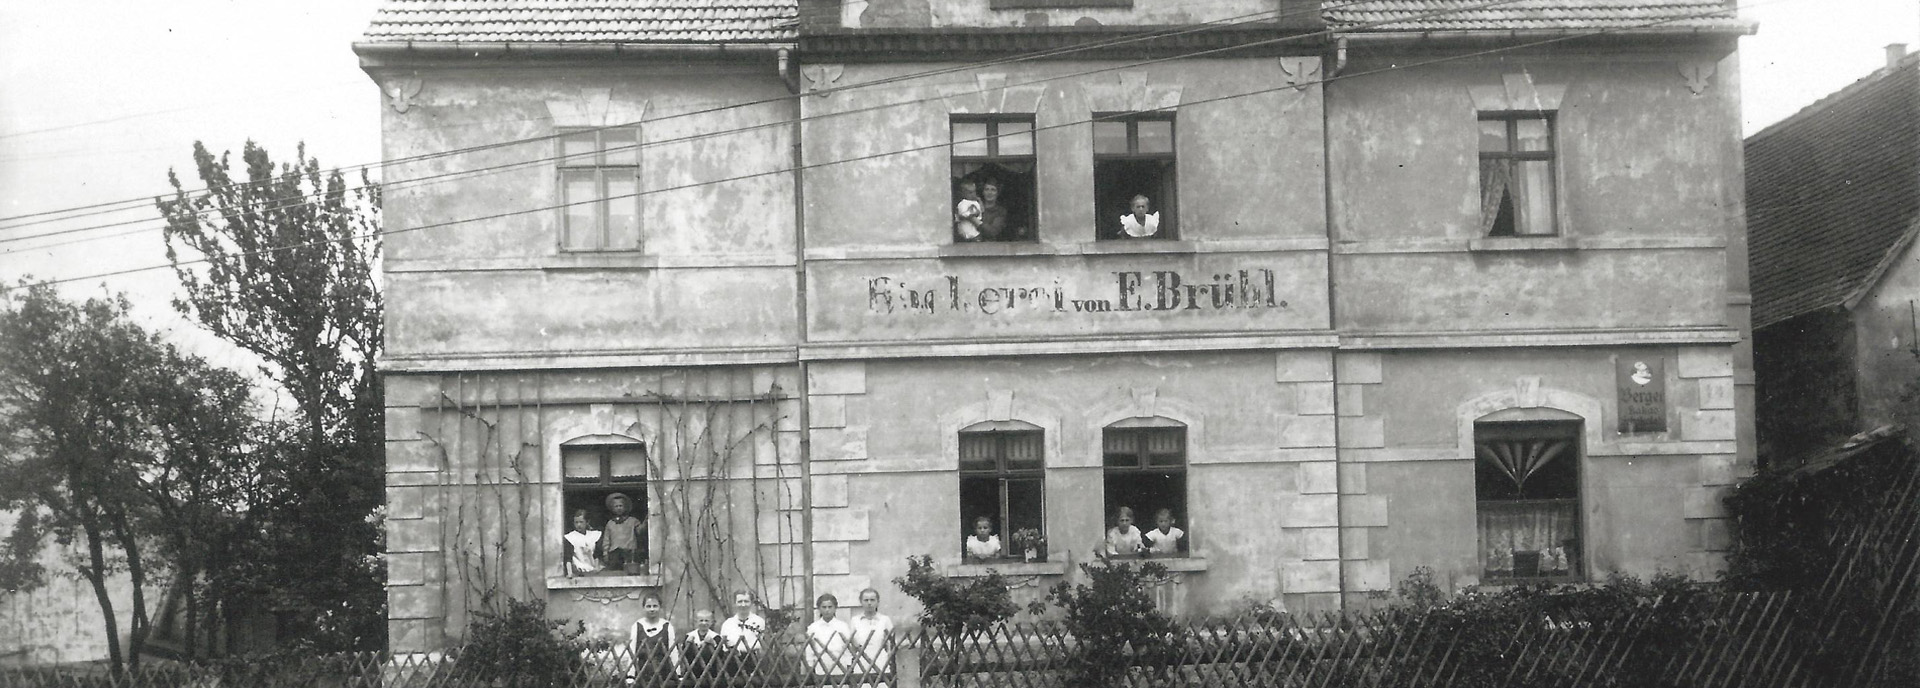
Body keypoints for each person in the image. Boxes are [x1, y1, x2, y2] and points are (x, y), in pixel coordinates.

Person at [849, 588, 895, 685]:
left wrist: (889, 660)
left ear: (878, 602)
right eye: (866, 600)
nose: (869, 603)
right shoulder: (855, 621)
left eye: (872, 600)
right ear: (861, 602)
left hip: (881, 660)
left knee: (882, 684)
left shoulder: (885, 620)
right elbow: (852, 644)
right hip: (861, 660)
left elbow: (890, 644)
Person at [628, 595, 677, 684]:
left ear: (660, 607)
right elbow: (632, 651)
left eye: (655, 606)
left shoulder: (667, 626)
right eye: (648, 606)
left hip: (663, 673)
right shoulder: (637, 626)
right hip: (642, 672)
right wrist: (630, 675)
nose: (652, 609)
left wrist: (677, 674)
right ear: (644, 608)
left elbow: (673, 652)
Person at [719, 590, 765, 677]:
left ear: (751, 603)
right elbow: (724, 645)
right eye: (740, 601)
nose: (743, 605)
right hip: (732, 661)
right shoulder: (728, 623)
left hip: (752, 659)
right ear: (735, 604)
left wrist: (743, 650)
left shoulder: (758, 621)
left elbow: (760, 643)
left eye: (746, 601)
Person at [806, 593, 853, 677]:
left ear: (835, 608)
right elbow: (809, 650)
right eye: (824, 607)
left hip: (840, 665)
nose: (827, 610)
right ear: (819, 608)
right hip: (821, 664)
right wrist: (810, 665)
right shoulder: (813, 627)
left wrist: (848, 664)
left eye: (830, 607)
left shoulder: (842, 626)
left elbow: (847, 648)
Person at [604, 492, 645, 573]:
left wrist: (646, 521)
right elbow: (606, 539)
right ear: (612, 508)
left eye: (621, 506)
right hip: (614, 553)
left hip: (629, 553)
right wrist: (605, 552)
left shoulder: (633, 521)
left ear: (625, 507)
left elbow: (640, 531)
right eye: (616, 506)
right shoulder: (610, 523)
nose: (619, 508)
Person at [682, 609, 723, 680]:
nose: (704, 623)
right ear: (696, 621)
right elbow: (684, 655)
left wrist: (713, 643)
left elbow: (720, 655)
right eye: (701, 620)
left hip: (710, 673)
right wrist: (687, 644)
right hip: (691, 673)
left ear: (711, 622)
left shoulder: (716, 637)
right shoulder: (689, 636)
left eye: (706, 620)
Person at [564, 509, 603, 576]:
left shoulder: (594, 535)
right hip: (579, 569)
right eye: (576, 522)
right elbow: (568, 558)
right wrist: (569, 573)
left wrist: (596, 567)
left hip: (593, 569)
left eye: (581, 522)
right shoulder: (570, 537)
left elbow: (597, 554)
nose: (579, 525)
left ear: (587, 522)